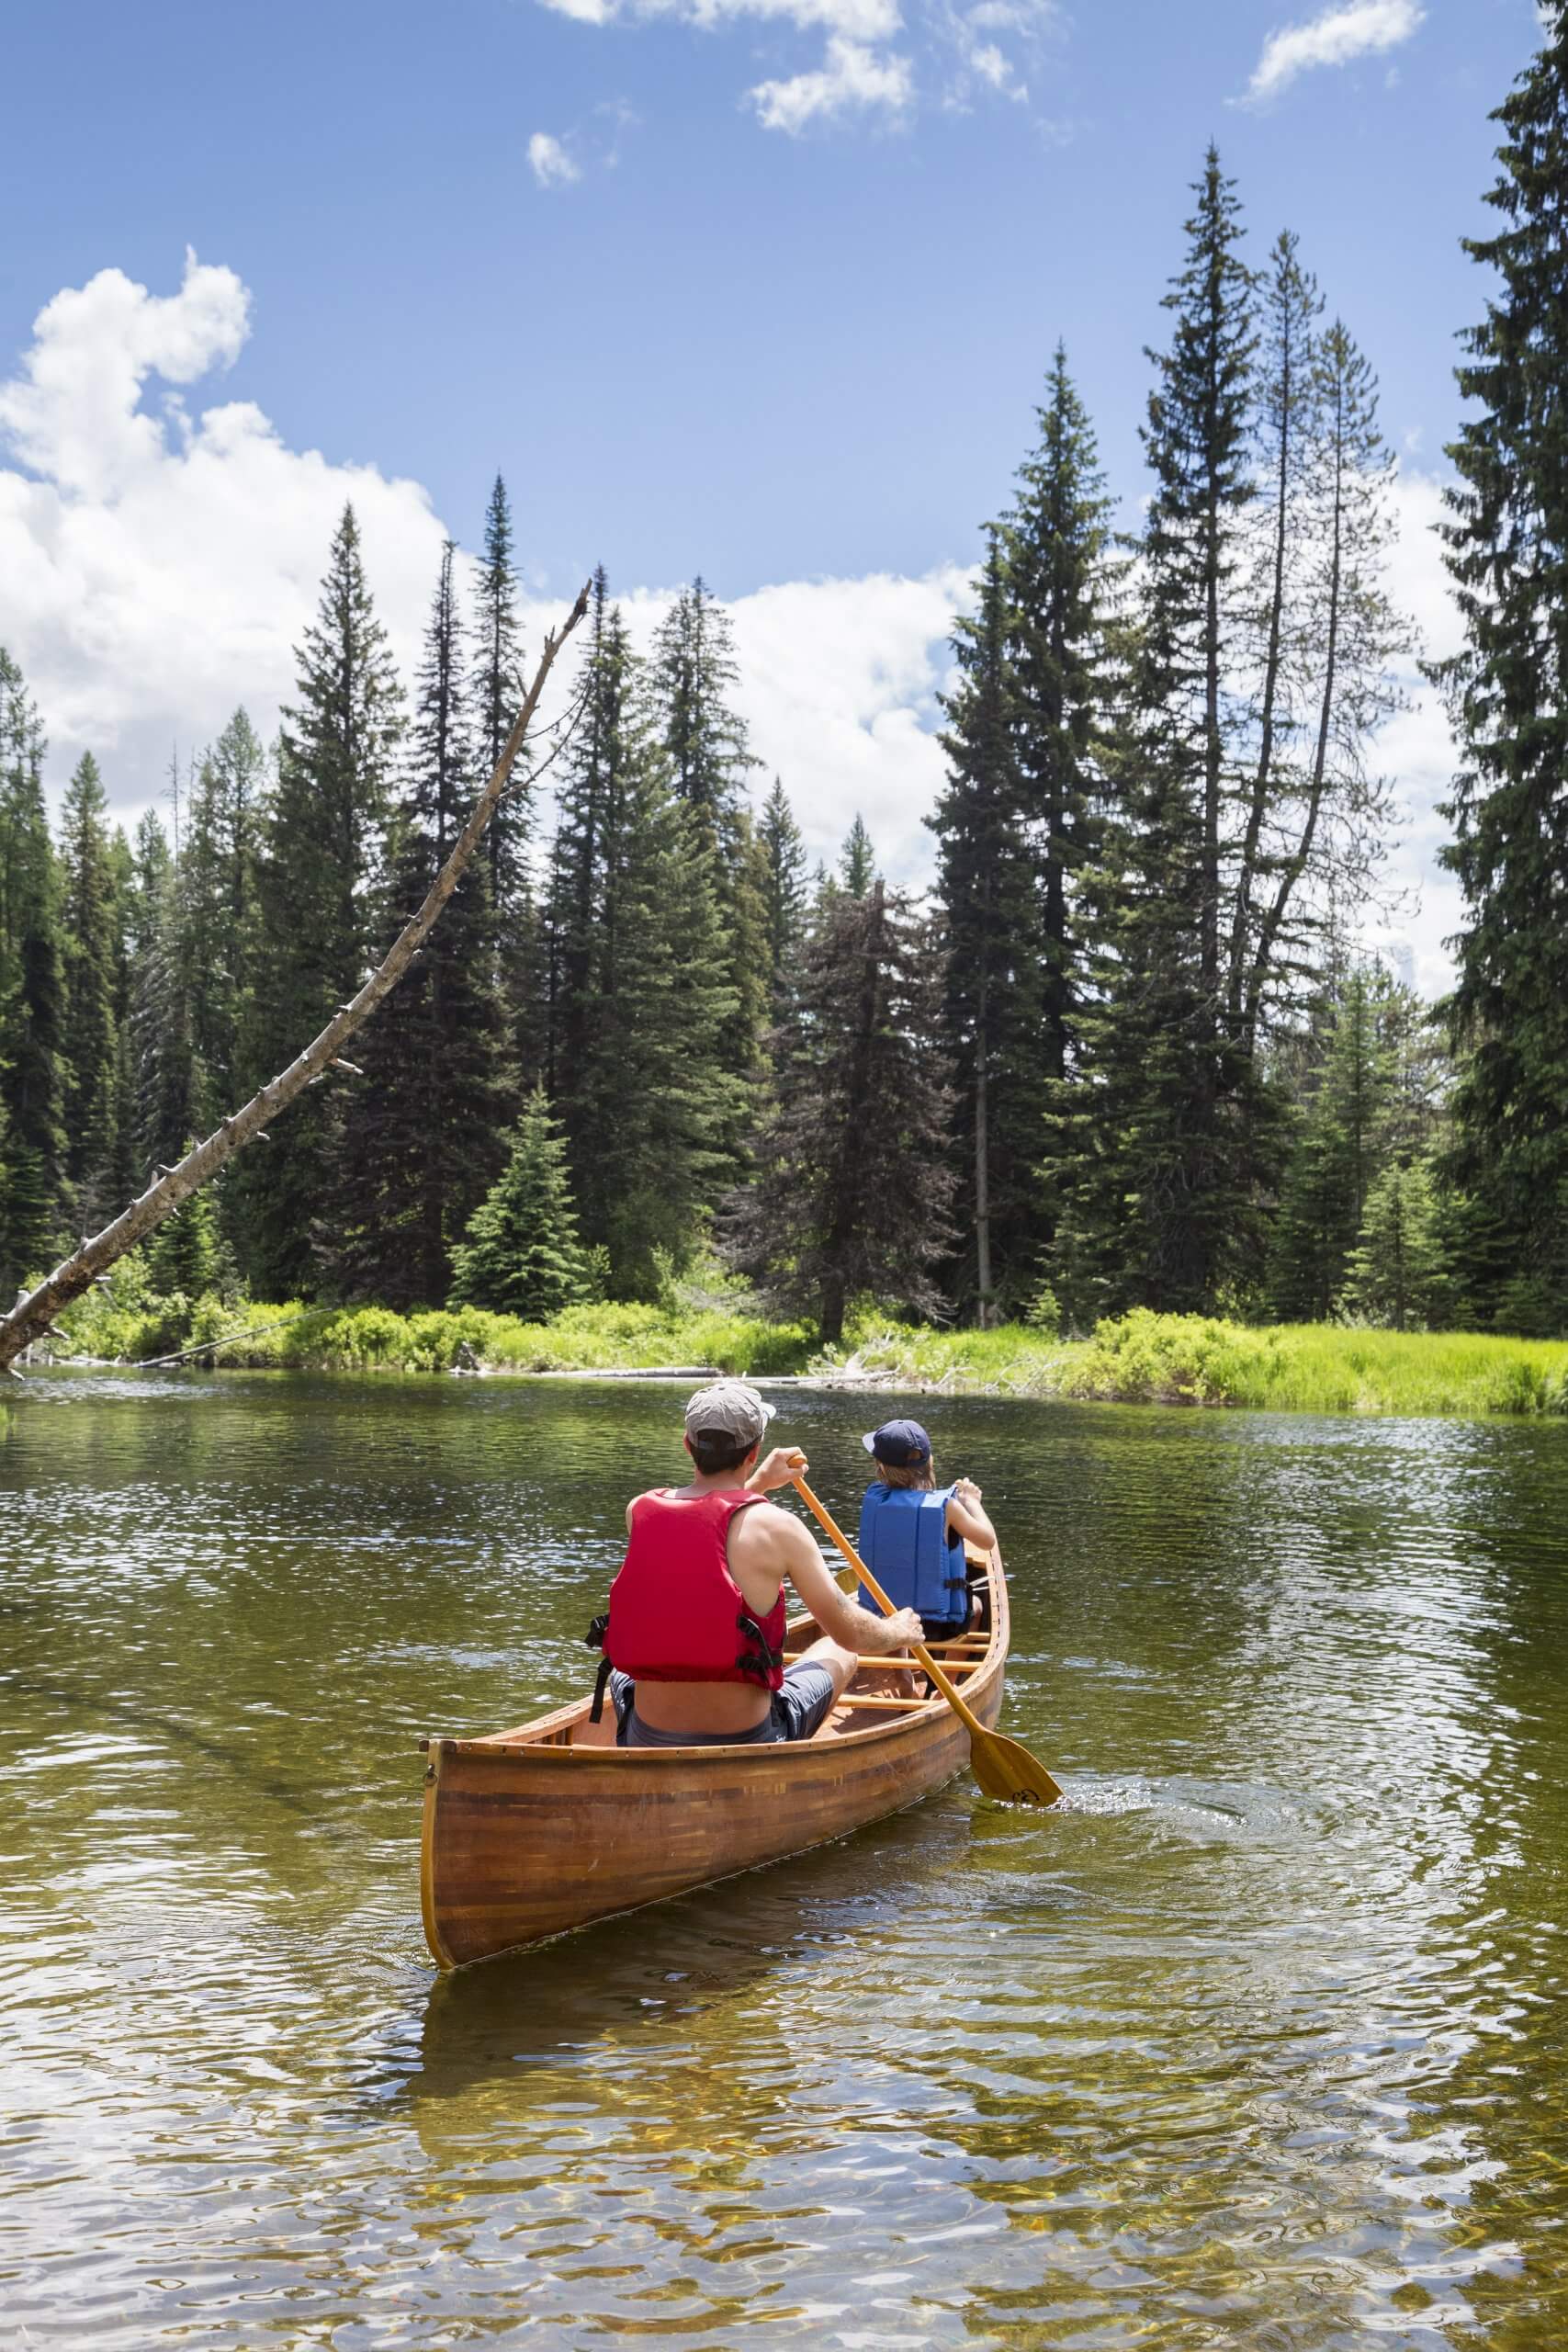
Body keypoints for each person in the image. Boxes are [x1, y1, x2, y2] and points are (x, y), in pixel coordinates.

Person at [592, 1380, 925, 1748]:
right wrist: (899, 1631)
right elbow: (851, 1632)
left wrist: (759, 1483)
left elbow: (704, 1527)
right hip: (749, 1736)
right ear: (755, 1451)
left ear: (688, 1445)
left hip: (647, 1736)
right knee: (841, 1649)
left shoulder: (639, 1511)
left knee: (621, 1677)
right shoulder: (780, 1528)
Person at [856, 1418, 997, 1645]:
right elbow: (987, 1541)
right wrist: (972, 1502)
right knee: (978, 1607)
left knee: (894, 1598)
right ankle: (949, 1678)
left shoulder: (874, 1499)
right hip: (938, 1627)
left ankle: (902, 1676)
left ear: (880, 1466)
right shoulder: (948, 1507)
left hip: (881, 1618)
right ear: (929, 1462)